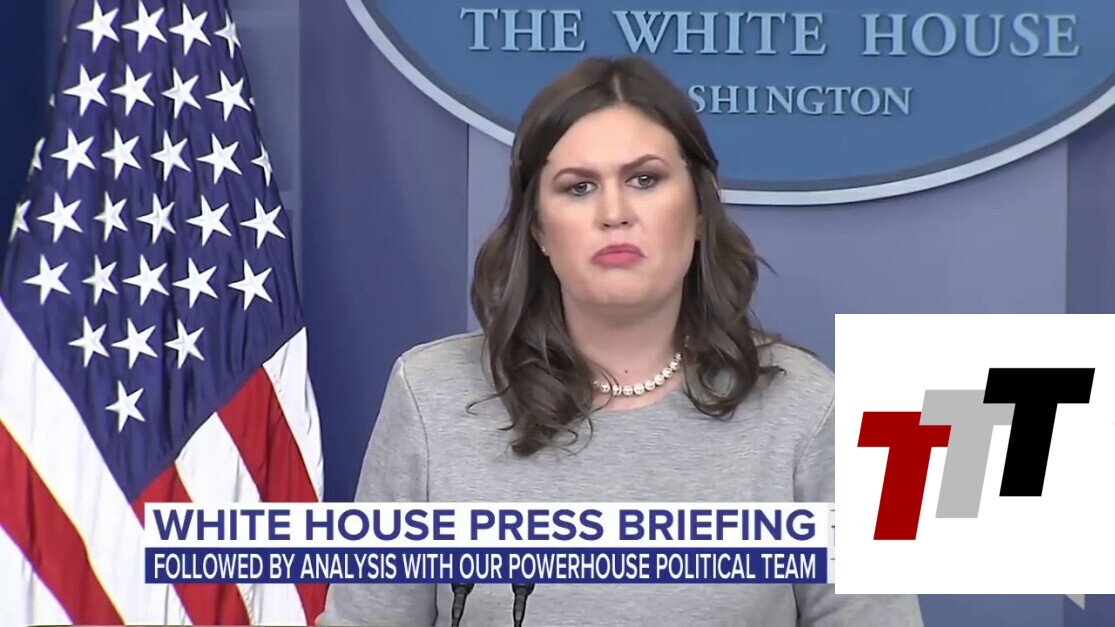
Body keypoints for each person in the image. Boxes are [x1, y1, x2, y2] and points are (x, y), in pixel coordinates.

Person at [315, 56, 923, 626]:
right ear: (538, 229)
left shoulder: (810, 411)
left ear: (700, 209)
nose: (614, 212)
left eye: (644, 179)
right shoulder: (431, 396)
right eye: (578, 187)